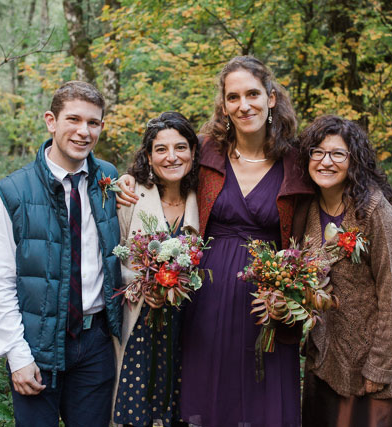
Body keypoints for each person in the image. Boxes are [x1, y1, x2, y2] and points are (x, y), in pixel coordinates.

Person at [118, 56, 314, 426]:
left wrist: (295, 293)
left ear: (271, 98)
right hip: (204, 297)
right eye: (234, 97)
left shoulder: (296, 161)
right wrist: (127, 181)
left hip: (266, 300)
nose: (244, 105)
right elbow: (162, 166)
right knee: (207, 397)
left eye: (253, 94)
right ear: (223, 105)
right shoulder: (207, 151)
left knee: (264, 400)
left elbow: (327, 203)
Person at [0, 81, 122, 427]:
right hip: (37, 345)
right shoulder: (12, 193)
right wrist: (17, 356)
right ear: (51, 121)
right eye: (73, 119)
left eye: (93, 123)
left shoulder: (109, 179)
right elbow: (0, 284)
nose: (83, 131)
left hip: (96, 343)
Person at [296, 115, 392, 427]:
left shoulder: (373, 210)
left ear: (353, 160)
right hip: (329, 358)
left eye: (337, 154)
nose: (325, 162)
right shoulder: (304, 210)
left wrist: (379, 366)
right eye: (317, 152)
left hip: (379, 362)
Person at [112, 112, 200, 427]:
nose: (171, 156)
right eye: (161, 149)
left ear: (193, 151)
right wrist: (141, 285)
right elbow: (115, 253)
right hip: (141, 325)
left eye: (180, 147)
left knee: (182, 410)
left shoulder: (204, 197)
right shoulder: (131, 194)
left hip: (189, 327)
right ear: (148, 155)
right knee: (136, 410)